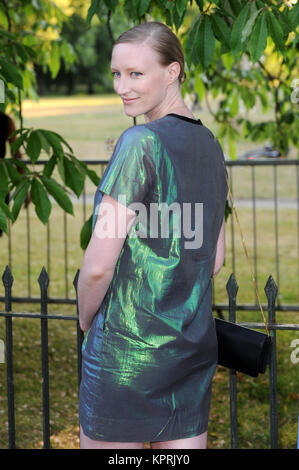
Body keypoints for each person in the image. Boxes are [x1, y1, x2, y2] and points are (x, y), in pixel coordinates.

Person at [77, 21, 228, 450]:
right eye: (116, 74)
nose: (122, 86)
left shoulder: (138, 142)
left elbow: (98, 265)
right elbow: (213, 259)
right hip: (190, 352)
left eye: (136, 74)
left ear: (173, 71)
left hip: (124, 353)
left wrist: (87, 319)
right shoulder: (210, 145)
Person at [0, 111, 31, 237]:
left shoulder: (6, 120)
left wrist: (23, 187)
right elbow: (17, 155)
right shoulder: (5, 120)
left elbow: (16, 155)